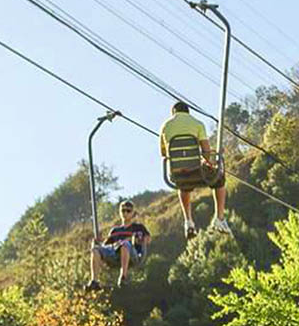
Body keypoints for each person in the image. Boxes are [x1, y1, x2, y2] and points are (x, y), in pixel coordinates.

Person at [159, 101, 231, 238]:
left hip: (177, 173)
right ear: (188, 112)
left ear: (173, 112)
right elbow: (206, 152)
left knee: (184, 186)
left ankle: (188, 222)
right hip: (197, 172)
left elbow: (163, 153)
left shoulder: (165, 126)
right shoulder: (197, 123)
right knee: (219, 178)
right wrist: (209, 162)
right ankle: (220, 218)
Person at [88, 200, 151, 291]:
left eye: (128, 211)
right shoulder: (115, 230)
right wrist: (98, 243)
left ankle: (123, 277)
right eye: (123, 211)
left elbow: (147, 239)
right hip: (115, 253)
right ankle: (94, 281)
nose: (125, 213)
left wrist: (136, 239)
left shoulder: (138, 227)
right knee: (95, 249)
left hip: (133, 254)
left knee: (124, 244)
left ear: (133, 213)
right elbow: (106, 246)